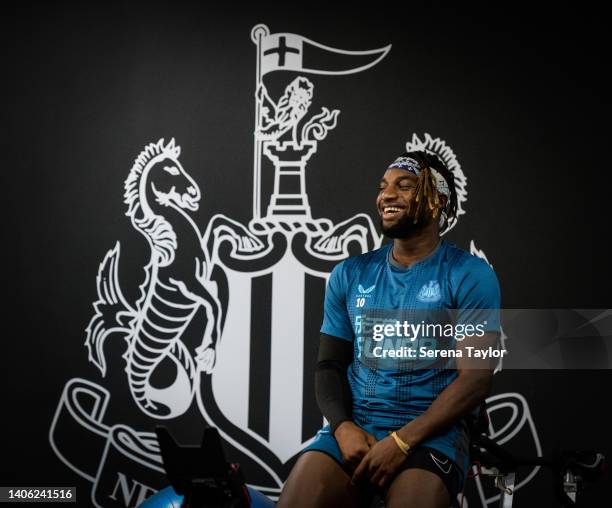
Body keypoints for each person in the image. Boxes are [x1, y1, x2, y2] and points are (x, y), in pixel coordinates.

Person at [277, 151, 501, 508]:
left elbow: (476, 380)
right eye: (383, 187)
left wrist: (401, 442)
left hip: (432, 437)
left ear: (437, 201)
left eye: (405, 186)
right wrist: (342, 427)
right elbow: (328, 367)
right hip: (358, 429)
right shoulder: (350, 274)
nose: (387, 195)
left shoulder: (471, 275)